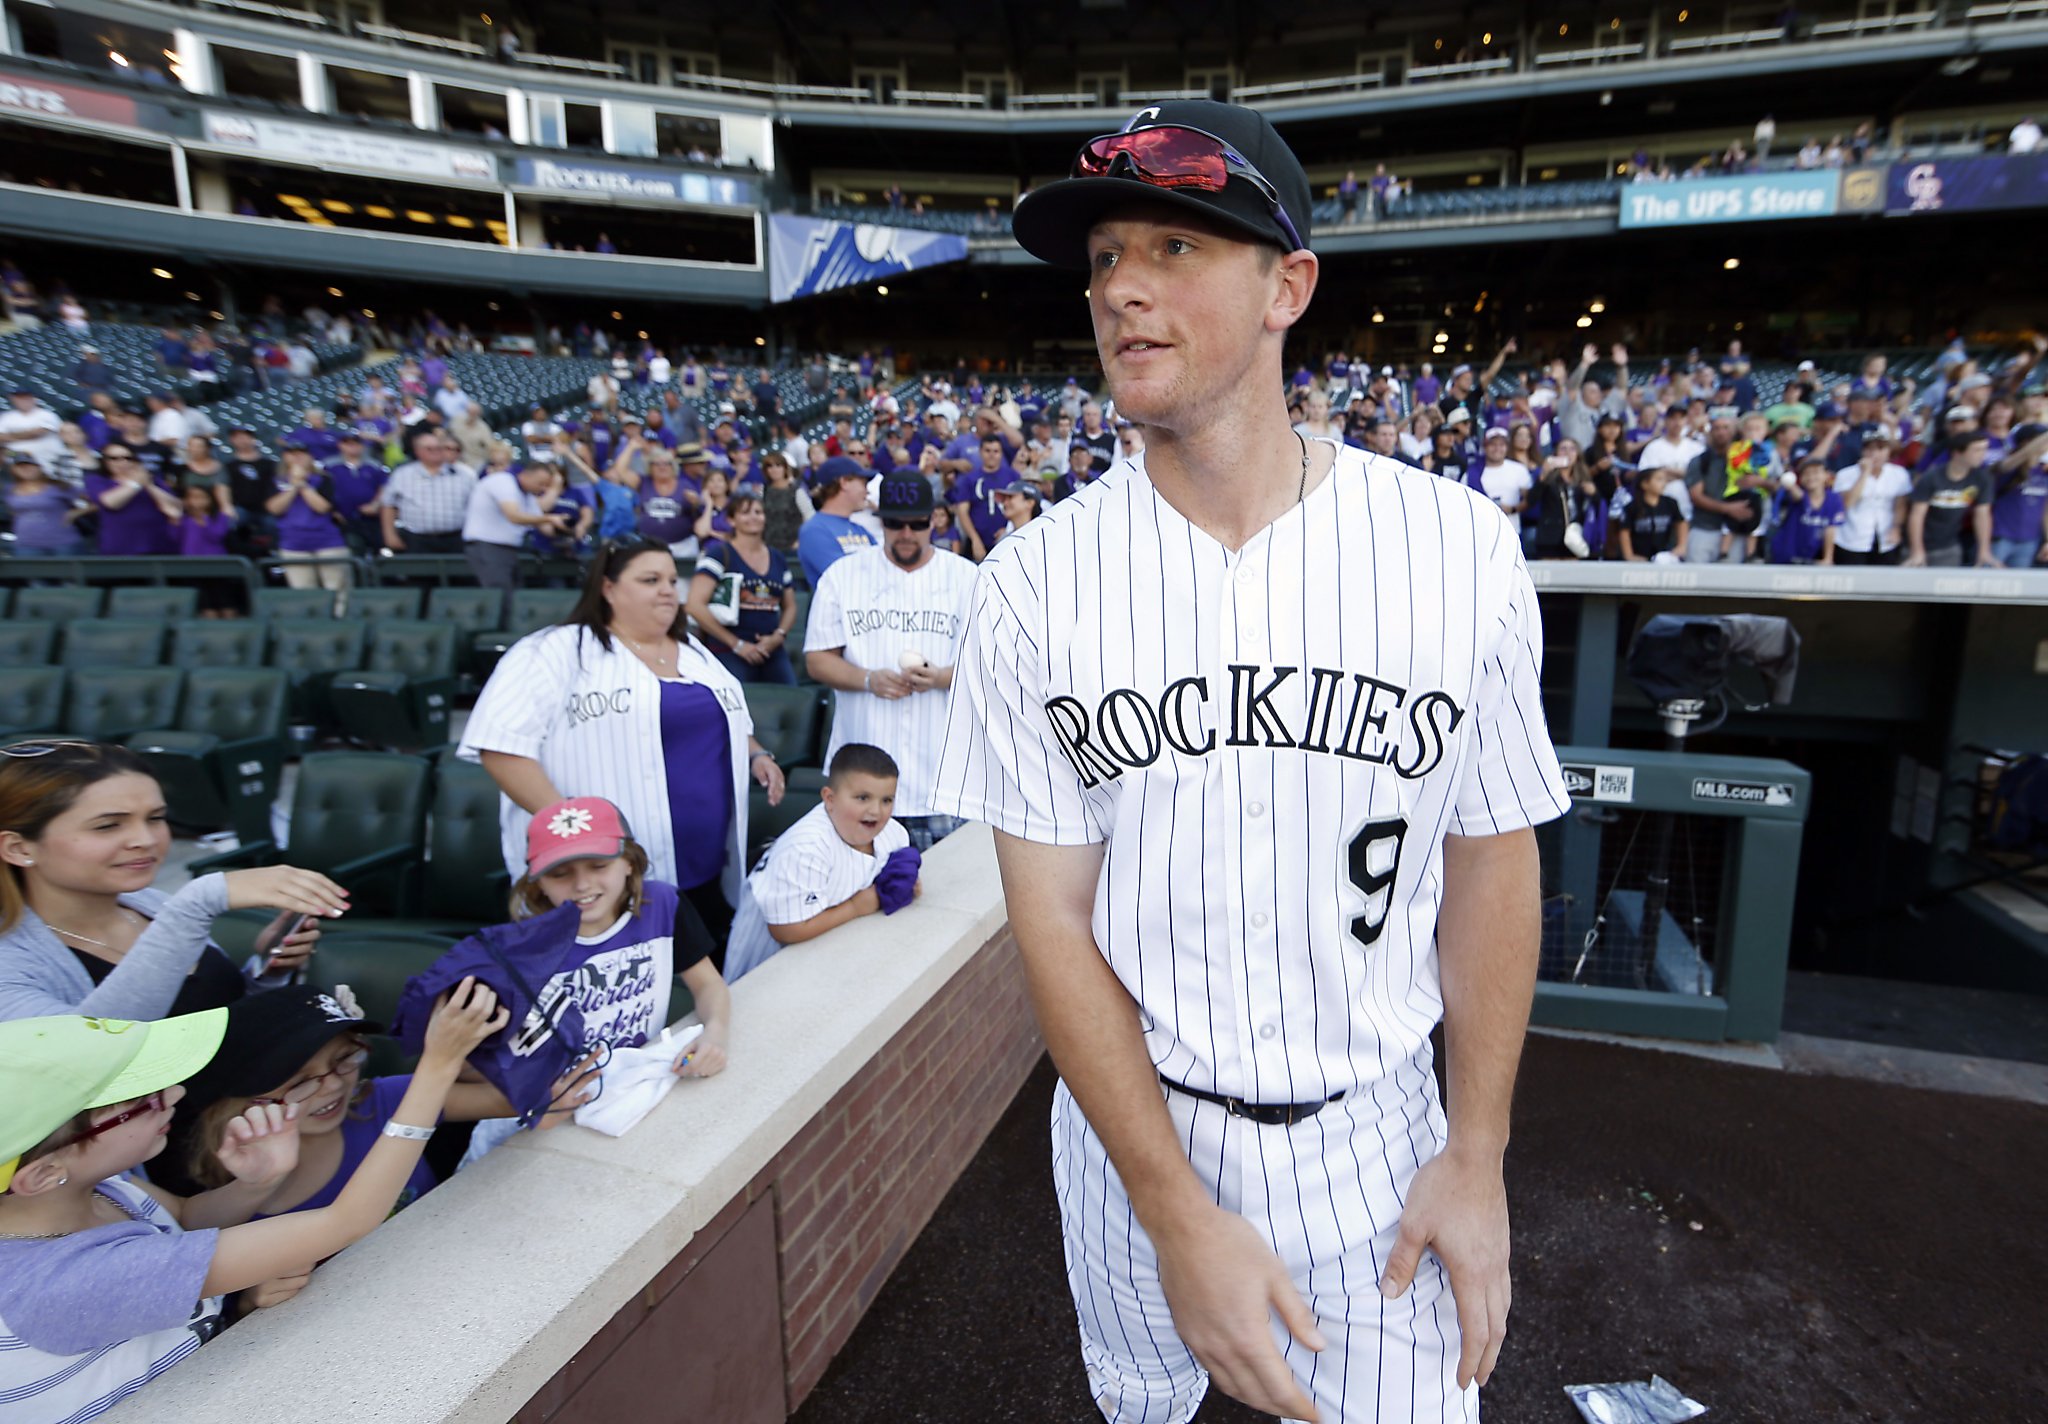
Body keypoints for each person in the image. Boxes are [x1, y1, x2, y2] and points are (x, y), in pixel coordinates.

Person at [936, 99, 1569, 1424]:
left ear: (1289, 287)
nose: (1121, 290)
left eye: (1176, 249)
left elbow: (1494, 856)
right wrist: (1172, 1210)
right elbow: (1050, 922)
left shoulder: (1456, 550)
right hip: (1129, 1141)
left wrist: (1480, 1149)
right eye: (1107, 256)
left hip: (1376, 1129)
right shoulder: (1031, 587)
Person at [0, 986, 505, 1420]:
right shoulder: (64, 1281)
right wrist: (437, 1068)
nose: (174, 1094)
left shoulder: (101, 1189)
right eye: (142, 1100)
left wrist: (254, 1185)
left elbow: (182, 1219)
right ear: (43, 1173)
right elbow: (348, 1220)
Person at [459, 541, 786, 949]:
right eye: (650, 580)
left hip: (703, 864)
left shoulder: (694, 650)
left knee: (697, 982)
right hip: (601, 877)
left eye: (671, 579)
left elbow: (724, 718)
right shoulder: (553, 651)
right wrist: (576, 836)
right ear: (609, 589)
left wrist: (755, 752)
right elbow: (501, 747)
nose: (668, 589)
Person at [0, 742, 341, 1024]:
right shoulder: (11, 957)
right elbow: (88, 1054)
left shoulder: (148, 904)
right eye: (107, 826)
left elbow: (222, 1023)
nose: (145, 839)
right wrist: (197, 902)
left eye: (156, 819)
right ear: (19, 848)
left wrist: (266, 972)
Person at [805, 476, 976, 851]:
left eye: (917, 523)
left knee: (948, 899)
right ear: (880, 521)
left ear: (935, 519)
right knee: (863, 899)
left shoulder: (967, 577)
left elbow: (993, 664)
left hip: (943, 775)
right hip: (862, 778)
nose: (906, 533)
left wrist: (944, 676)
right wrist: (868, 679)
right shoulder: (842, 576)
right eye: (894, 523)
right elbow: (817, 660)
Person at [722, 744, 921, 982]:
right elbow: (786, 929)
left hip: (833, 950)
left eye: (887, 800)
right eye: (862, 798)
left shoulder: (893, 833)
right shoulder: (806, 849)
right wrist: (857, 907)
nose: (876, 811)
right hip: (765, 965)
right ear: (830, 798)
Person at [687, 494, 798, 685]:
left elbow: (790, 606)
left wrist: (778, 636)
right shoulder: (719, 554)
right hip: (728, 650)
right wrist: (737, 644)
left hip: (771, 650)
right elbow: (694, 605)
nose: (753, 517)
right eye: (745, 513)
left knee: (791, 696)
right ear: (731, 520)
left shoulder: (777, 557)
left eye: (758, 512)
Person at [463, 461, 567, 621]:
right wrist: (550, 518)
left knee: (514, 594)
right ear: (526, 475)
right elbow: (513, 515)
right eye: (541, 484)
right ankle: (499, 638)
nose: (543, 489)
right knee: (501, 595)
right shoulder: (503, 481)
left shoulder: (527, 495)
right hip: (487, 546)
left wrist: (566, 529)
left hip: (506, 550)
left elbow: (543, 526)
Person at [268, 443, 351, 601]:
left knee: (338, 590)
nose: (297, 457)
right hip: (293, 542)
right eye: (292, 453)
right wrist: (293, 485)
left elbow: (322, 507)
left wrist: (303, 484)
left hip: (327, 541)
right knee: (303, 592)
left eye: (301, 453)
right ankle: (312, 624)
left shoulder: (324, 479)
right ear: (285, 457)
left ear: (310, 457)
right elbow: (274, 508)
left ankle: (343, 624)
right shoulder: (276, 481)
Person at [1905, 431, 1997, 568]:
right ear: (1957, 453)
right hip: (1919, 543)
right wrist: (1917, 550)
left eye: (1984, 449)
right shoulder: (1932, 477)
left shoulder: (1982, 479)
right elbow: (1917, 515)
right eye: (1977, 450)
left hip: (1949, 546)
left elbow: (1982, 515)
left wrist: (1984, 550)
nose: (1983, 455)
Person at [380, 433, 475, 555]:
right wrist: (390, 535)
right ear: (417, 451)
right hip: (416, 540)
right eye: (429, 448)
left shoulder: (464, 474)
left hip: (456, 539)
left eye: (439, 448)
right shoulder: (402, 474)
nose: (435, 452)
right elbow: (388, 505)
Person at [85, 443, 182, 556]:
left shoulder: (153, 480)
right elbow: (110, 503)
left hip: (159, 545)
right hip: (120, 548)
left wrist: (149, 486)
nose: (122, 462)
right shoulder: (97, 480)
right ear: (105, 461)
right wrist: (136, 483)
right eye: (114, 458)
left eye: (128, 458)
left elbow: (175, 508)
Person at [797, 456, 878, 586]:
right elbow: (844, 578)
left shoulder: (859, 529)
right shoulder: (814, 530)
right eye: (863, 483)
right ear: (844, 482)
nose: (867, 491)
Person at [1833, 434, 1912, 566]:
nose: (1874, 454)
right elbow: (1846, 504)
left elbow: (1900, 505)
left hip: (1885, 537)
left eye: (1880, 449)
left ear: (1888, 452)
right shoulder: (1845, 474)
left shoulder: (1899, 474)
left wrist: (1896, 527)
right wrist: (1865, 473)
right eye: (1869, 449)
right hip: (1852, 538)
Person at [5, 456, 87, 558]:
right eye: (21, 467)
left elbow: (96, 500)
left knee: (67, 572)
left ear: (40, 467)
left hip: (62, 542)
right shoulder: (9, 489)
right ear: (14, 470)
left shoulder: (59, 486)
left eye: (31, 466)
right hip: (26, 543)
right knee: (29, 573)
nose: (26, 470)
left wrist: (77, 512)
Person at [1767, 457, 1845, 565]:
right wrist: (1790, 485)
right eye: (1806, 473)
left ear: (1826, 475)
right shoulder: (1797, 495)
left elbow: (1830, 529)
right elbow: (1797, 495)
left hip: (1809, 556)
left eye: (1816, 472)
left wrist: (1828, 558)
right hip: (1783, 555)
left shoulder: (1834, 499)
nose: (1811, 477)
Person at [1618, 467, 1688, 561]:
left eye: (1664, 480)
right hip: (1640, 555)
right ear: (1645, 484)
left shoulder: (1670, 503)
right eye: (1659, 479)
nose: (1663, 483)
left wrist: (1682, 545)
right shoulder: (1632, 506)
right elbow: (1624, 532)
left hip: (1665, 555)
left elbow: (1681, 522)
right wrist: (1629, 555)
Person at [757, 449, 810, 554]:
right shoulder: (763, 491)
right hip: (769, 545)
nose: (774, 469)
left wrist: (800, 540)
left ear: (785, 468)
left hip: (793, 545)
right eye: (770, 466)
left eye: (778, 465)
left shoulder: (797, 491)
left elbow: (809, 516)